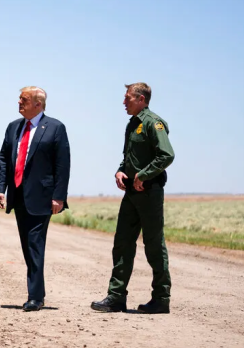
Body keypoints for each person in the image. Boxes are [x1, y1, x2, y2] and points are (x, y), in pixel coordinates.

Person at [91, 82, 175, 314]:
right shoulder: (132, 124)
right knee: (122, 244)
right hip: (131, 193)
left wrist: (144, 175)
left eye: (128, 98)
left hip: (149, 193)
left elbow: (166, 155)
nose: (124, 102)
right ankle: (116, 297)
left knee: (154, 246)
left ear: (141, 99)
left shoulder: (153, 123)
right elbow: (129, 158)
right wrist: (120, 171)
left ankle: (161, 299)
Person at [0, 86, 71, 311]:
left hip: (42, 198)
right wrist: (1, 188)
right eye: (20, 99)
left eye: (24, 100)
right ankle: (37, 292)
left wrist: (59, 196)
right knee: (28, 247)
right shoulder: (13, 128)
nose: (19, 102)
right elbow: (4, 159)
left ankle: (35, 297)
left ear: (38, 104)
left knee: (35, 244)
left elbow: (62, 164)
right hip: (18, 197)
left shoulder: (55, 128)